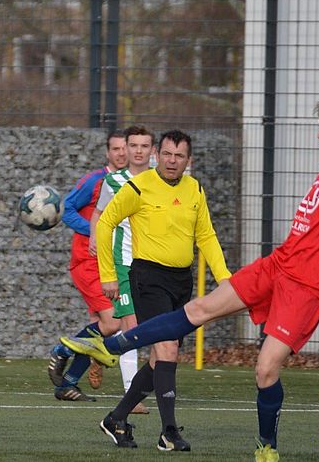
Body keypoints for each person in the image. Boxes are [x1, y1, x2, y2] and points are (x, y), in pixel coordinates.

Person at [62, 96, 319, 462]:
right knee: (195, 315)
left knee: (264, 370)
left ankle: (266, 446)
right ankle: (119, 354)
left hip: (306, 285)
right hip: (273, 264)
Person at [76, 129, 231, 452]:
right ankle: (168, 432)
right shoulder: (138, 186)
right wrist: (108, 274)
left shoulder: (194, 189)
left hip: (180, 281)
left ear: (189, 160)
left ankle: (116, 417)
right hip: (147, 278)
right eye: (167, 154)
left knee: (160, 358)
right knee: (167, 349)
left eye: (179, 156)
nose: (172, 161)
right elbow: (105, 222)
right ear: (156, 155)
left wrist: (226, 279)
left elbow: (206, 236)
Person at [46, 131, 128, 402]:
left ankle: (67, 384)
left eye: (125, 148)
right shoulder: (95, 181)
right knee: (113, 322)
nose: (121, 153)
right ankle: (62, 351)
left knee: (100, 328)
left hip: (112, 264)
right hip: (88, 261)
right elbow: (66, 208)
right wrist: (94, 232)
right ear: (107, 153)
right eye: (116, 149)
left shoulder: (132, 182)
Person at [86, 125, 156, 415]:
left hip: (154, 266)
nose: (138, 151)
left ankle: (104, 350)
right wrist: (94, 236)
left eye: (144, 146)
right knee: (132, 327)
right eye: (133, 145)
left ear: (153, 150)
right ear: (125, 148)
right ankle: (132, 395)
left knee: (154, 330)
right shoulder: (113, 181)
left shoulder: (159, 181)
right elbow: (99, 214)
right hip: (124, 264)